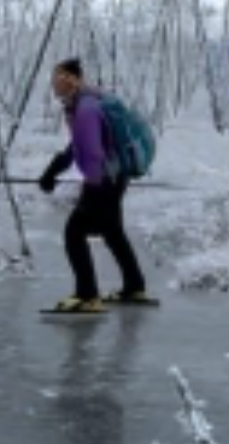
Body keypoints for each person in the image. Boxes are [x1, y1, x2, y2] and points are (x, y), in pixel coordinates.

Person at [36, 58, 153, 312]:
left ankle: (87, 296)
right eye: (56, 77)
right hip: (114, 177)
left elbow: (91, 152)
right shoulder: (90, 102)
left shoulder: (86, 108)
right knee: (113, 233)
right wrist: (54, 169)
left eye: (64, 77)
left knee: (74, 233)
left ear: (76, 79)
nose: (58, 83)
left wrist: (90, 188)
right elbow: (78, 145)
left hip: (103, 180)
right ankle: (135, 286)